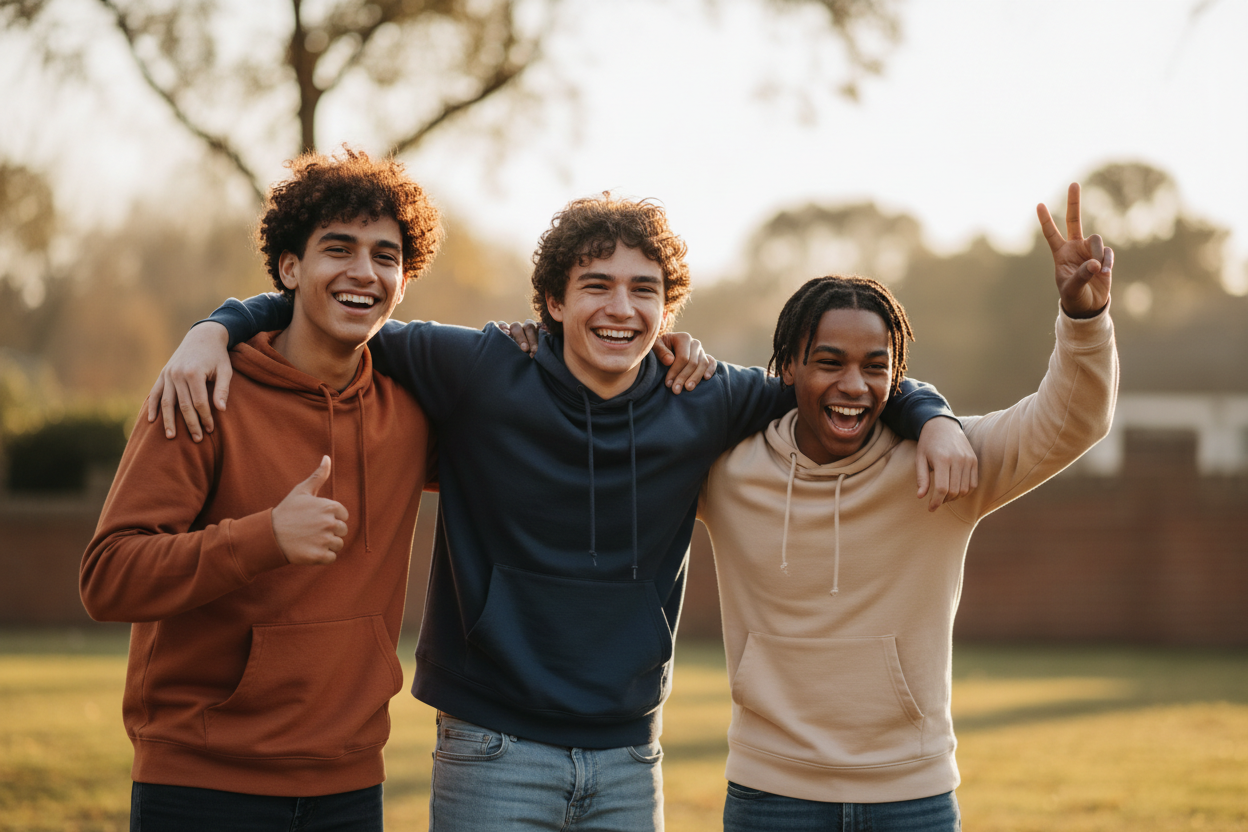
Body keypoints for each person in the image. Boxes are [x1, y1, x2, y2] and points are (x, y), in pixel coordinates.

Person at [150, 192, 977, 831]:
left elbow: (838, 380)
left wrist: (929, 413)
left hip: (628, 753)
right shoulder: (476, 367)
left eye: (644, 291)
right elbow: (340, 319)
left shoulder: (709, 398)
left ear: (667, 311)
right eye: (597, 286)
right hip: (491, 747)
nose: (621, 308)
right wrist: (214, 329)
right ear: (551, 300)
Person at [697, 184, 1117, 831]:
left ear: (897, 377)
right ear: (787, 368)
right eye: (829, 363)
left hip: (911, 797)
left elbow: (1070, 422)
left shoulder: (948, 463)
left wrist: (1083, 323)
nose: (853, 386)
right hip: (770, 794)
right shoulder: (727, 471)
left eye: (875, 367)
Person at [80, 148, 443, 831]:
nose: (363, 271)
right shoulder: (201, 392)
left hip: (349, 782)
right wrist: (264, 537)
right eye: (339, 247)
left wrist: (671, 353)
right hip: (200, 780)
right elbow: (107, 578)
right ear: (289, 267)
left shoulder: (415, 411)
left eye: (385, 255)